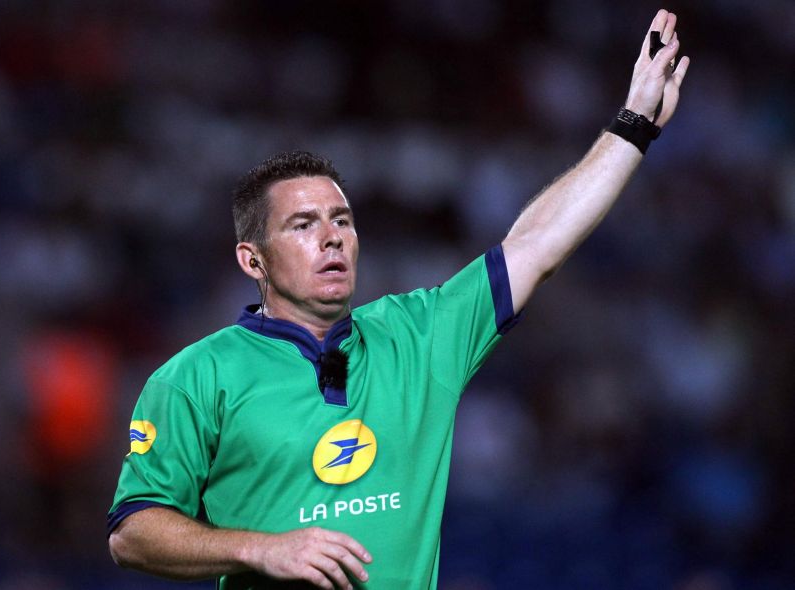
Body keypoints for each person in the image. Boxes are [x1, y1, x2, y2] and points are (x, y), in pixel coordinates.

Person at [107, 9, 690, 590]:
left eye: (342, 219)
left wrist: (633, 124)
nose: (332, 236)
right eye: (303, 225)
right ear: (252, 260)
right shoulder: (194, 378)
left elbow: (536, 246)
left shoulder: (418, 336)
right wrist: (261, 549)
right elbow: (132, 533)